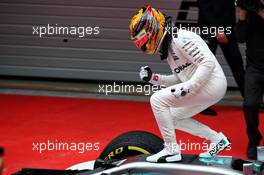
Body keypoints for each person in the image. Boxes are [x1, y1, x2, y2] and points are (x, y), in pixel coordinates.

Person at [129, 5, 230, 162]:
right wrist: (153, 78)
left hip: (211, 84)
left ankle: (171, 150)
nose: (143, 45)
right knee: (172, 117)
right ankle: (218, 140)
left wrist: (190, 87)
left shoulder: (180, 38)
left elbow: (207, 63)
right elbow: (180, 78)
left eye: (143, 40)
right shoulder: (169, 47)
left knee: (156, 100)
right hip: (208, 86)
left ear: (153, 29)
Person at [198, 0, 245, 98]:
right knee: (206, 65)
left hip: (228, 28)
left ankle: (251, 100)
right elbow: (204, 8)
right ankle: (200, 102)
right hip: (209, 28)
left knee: (236, 62)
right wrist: (217, 29)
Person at [237, 0, 264, 159]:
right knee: (250, 104)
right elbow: (240, 38)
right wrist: (242, 15)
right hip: (254, 68)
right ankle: (254, 140)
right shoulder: (248, 14)